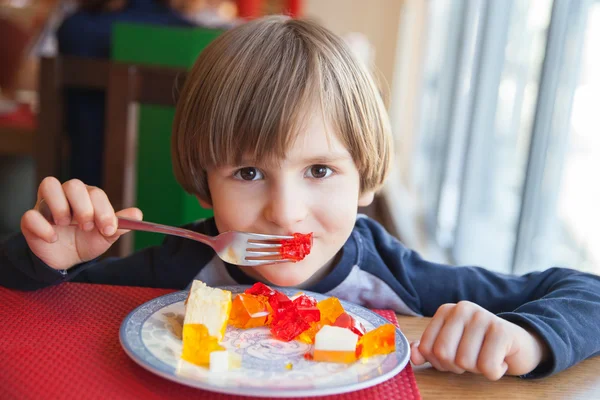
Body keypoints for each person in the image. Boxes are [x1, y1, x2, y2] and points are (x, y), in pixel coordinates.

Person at [1, 15, 599, 381]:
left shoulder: (396, 277)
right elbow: (33, 316)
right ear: (204, 177)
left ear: (364, 179)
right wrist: (52, 264)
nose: (285, 211)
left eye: (318, 169)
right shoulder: (177, 268)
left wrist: (530, 339)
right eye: (248, 173)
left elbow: (589, 295)